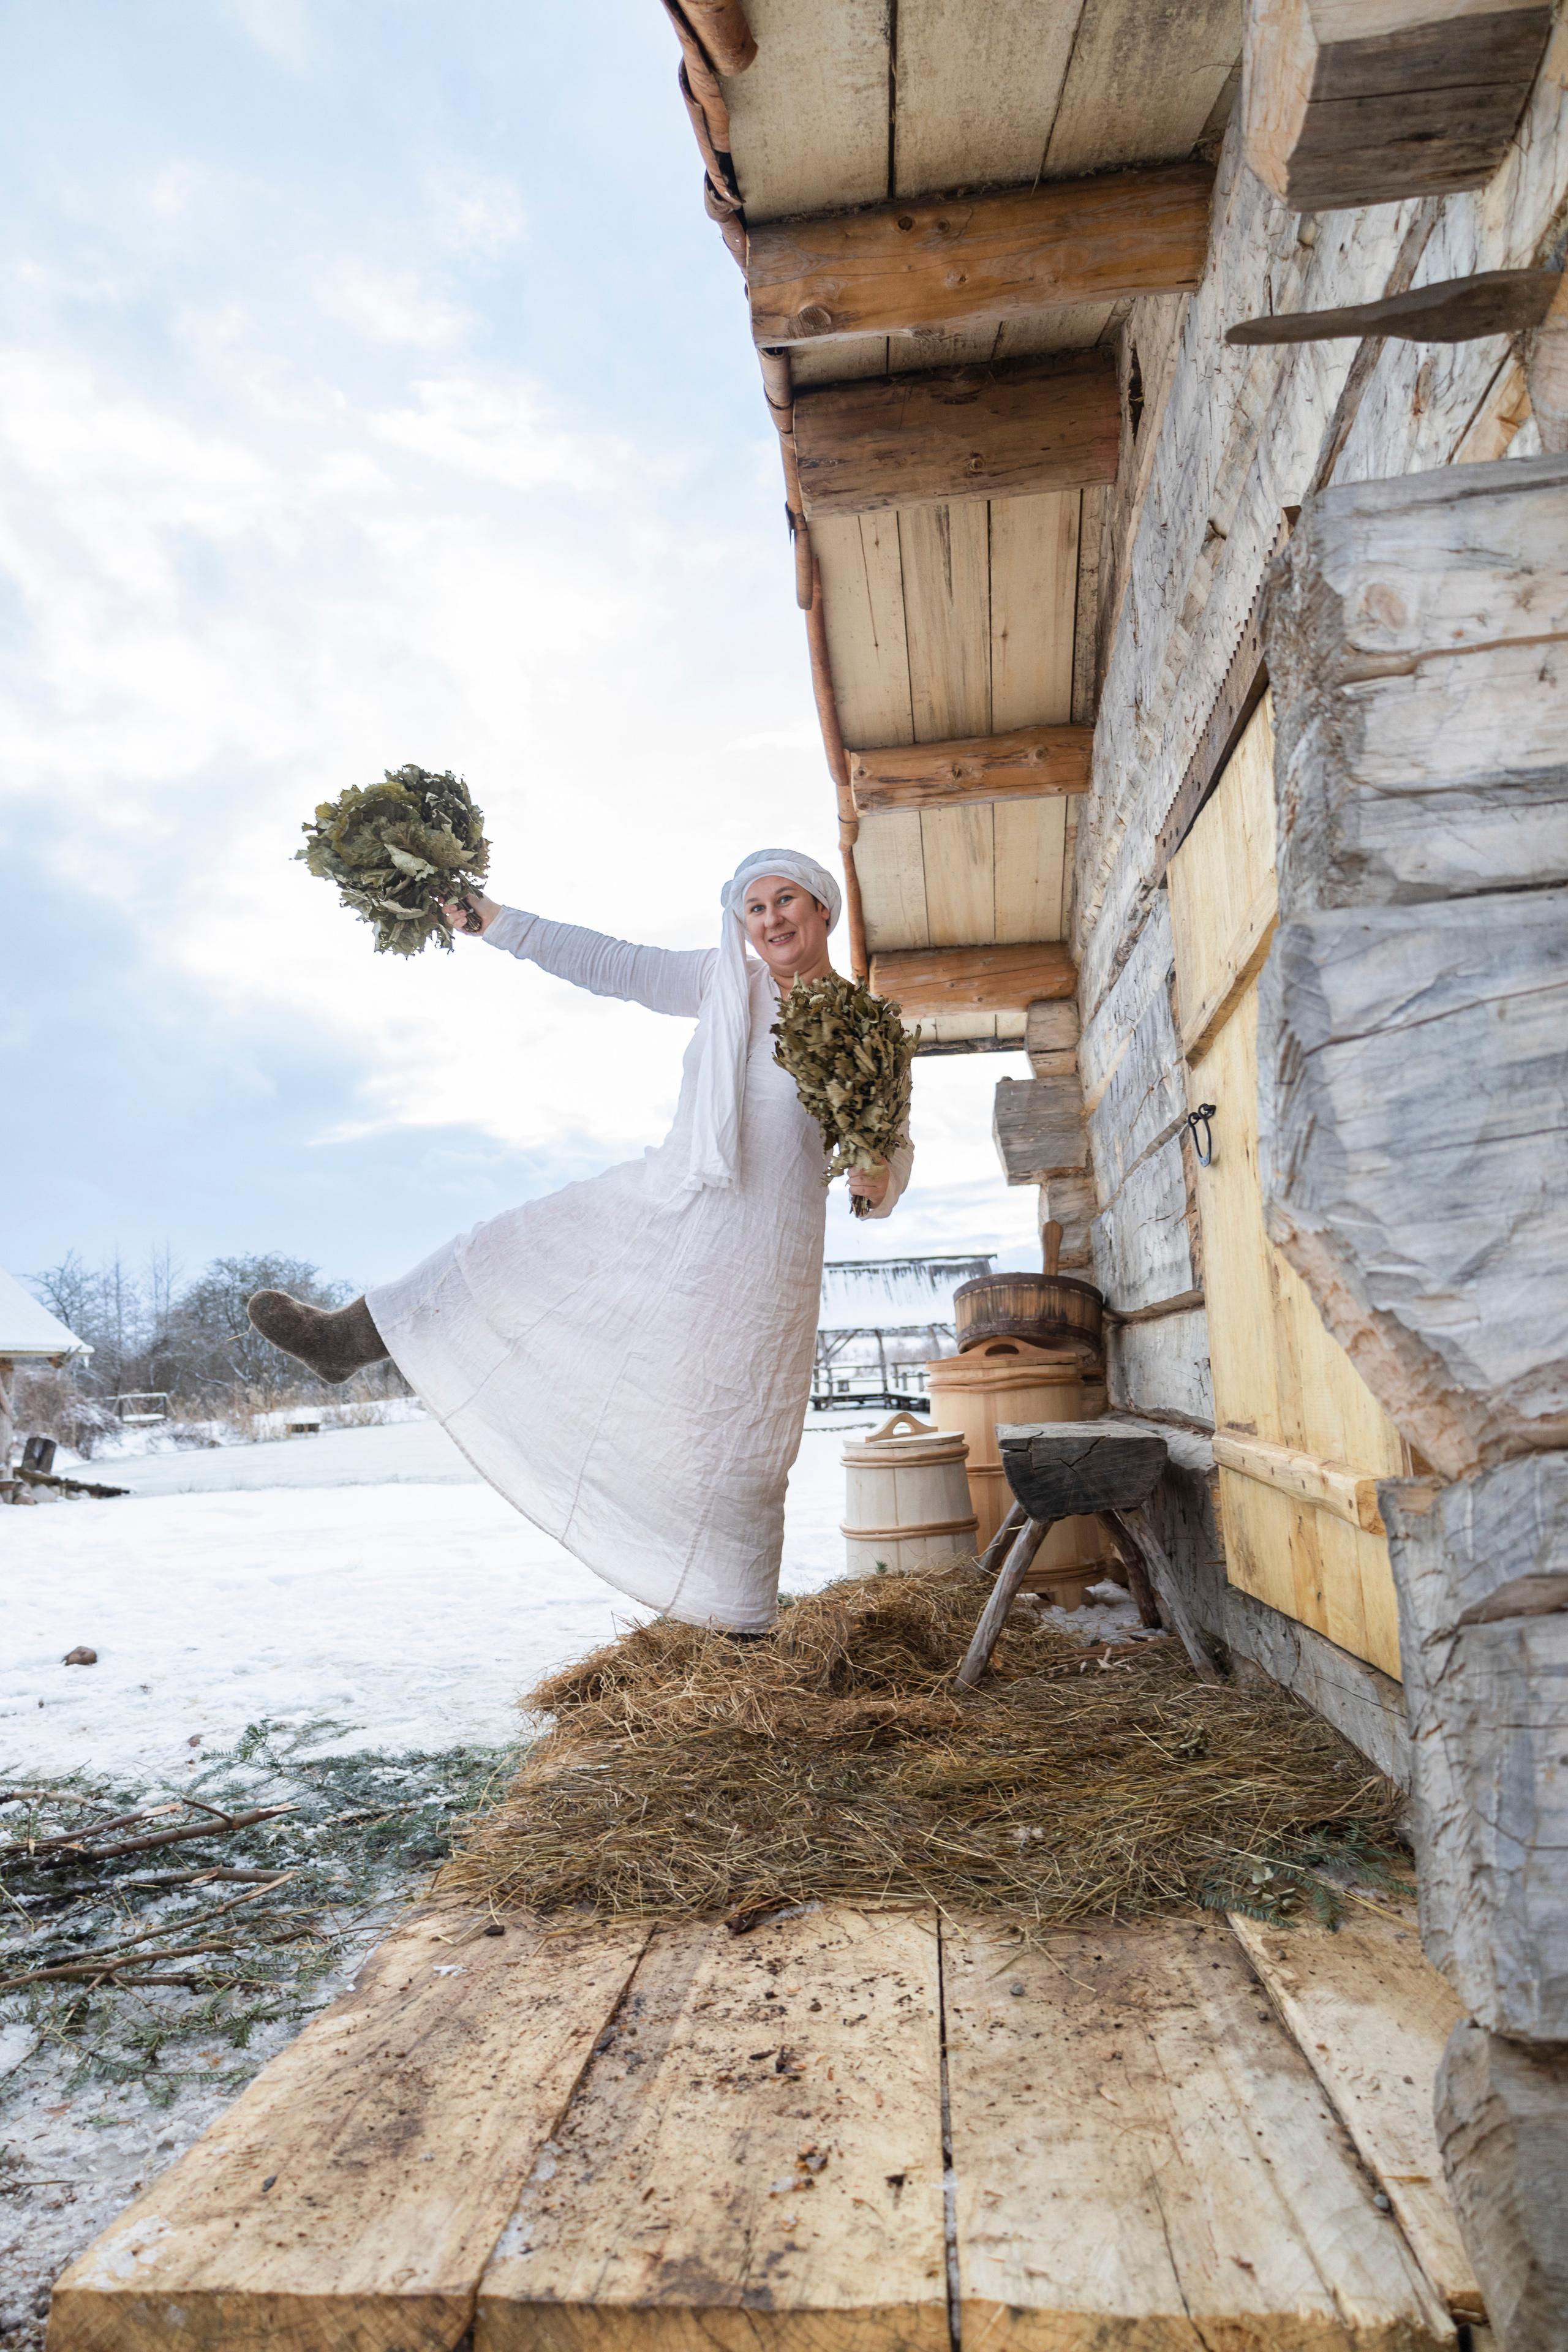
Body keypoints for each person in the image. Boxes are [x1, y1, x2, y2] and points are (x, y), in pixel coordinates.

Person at [248, 848, 912, 1632]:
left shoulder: (869, 1026)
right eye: (754, 907)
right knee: (506, 1250)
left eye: (786, 900)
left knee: (742, 1434)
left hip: (765, 1251)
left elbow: (892, 1142)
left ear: (822, 909)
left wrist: (879, 1186)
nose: (770, 919)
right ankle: (344, 1340)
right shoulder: (720, 980)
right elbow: (608, 962)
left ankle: (738, 1623)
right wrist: (493, 919)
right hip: (672, 1199)